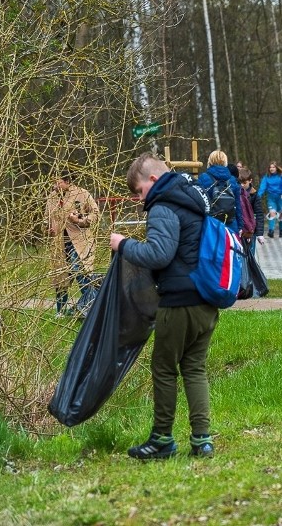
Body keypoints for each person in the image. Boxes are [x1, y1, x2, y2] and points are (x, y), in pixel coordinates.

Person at [109, 152, 219, 460]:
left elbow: (159, 254)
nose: (139, 199)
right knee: (195, 369)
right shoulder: (193, 198)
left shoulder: (163, 205)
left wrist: (124, 244)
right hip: (206, 300)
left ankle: (162, 439)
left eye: (140, 191)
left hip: (179, 302)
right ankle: (201, 440)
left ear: (154, 181)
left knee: (164, 369)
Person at [45, 171, 99, 317]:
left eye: (58, 182)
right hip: (59, 243)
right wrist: (48, 229)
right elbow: (46, 219)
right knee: (60, 276)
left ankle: (90, 306)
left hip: (79, 241)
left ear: (67, 181)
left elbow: (95, 214)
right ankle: (61, 310)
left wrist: (80, 221)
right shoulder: (51, 197)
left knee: (80, 270)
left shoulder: (82, 194)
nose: (55, 185)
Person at [197, 150, 243, 235]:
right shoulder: (232, 180)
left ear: (210, 161)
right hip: (230, 224)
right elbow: (237, 205)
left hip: (210, 225)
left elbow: (199, 203)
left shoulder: (203, 178)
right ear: (225, 162)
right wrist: (240, 226)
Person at [257, 161, 282, 238]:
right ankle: (271, 231)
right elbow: (262, 187)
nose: (271, 169)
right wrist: (258, 196)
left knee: (280, 214)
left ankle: (281, 230)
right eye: (270, 167)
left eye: (273, 167)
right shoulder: (266, 177)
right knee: (272, 213)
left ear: (276, 168)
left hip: (281, 197)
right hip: (271, 197)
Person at [238, 168, 265, 256]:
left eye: (244, 183)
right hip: (239, 229)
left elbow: (259, 214)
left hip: (250, 231)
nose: (242, 185)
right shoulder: (236, 192)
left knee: (249, 256)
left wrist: (260, 233)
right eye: (240, 183)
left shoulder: (254, 195)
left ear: (250, 181)